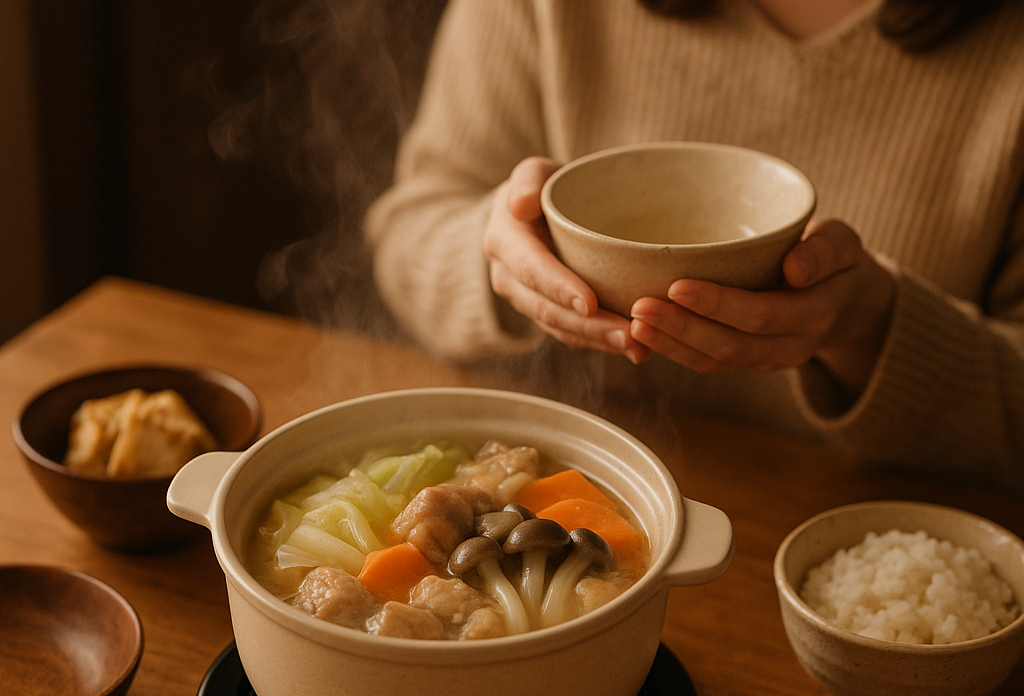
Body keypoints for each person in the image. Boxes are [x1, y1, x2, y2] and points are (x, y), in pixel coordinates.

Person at [363, 0, 1024, 489]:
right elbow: (409, 234)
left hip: (860, 546)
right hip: (549, 500)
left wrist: (868, 329)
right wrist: (503, 255)